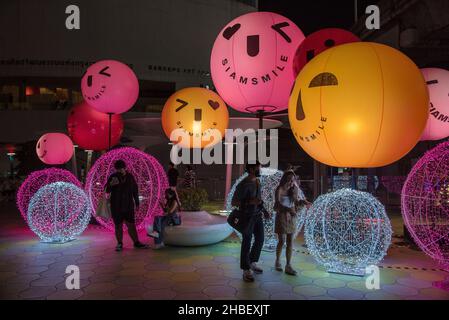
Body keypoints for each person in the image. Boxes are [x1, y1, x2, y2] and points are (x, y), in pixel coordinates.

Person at [232, 162, 270, 282]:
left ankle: (252, 261)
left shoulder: (257, 182)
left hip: (257, 215)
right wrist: (249, 202)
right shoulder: (244, 184)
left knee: (260, 239)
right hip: (247, 217)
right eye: (258, 168)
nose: (260, 170)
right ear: (251, 169)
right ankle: (246, 269)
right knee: (247, 242)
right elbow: (234, 202)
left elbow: (258, 200)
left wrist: (264, 210)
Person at [105, 160, 147, 252]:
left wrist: (137, 203)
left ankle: (136, 242)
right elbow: (107, 190)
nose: (119, 171)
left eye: (121, 169)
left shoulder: (130, 177)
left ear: (125, 168)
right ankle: (119, 243)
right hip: (116, 205)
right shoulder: (113, 176)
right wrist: (111, 185)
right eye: (118, 169)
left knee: (131, 225)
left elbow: (135, 191)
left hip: (128, 205)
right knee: (118, 225)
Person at [274, 171, 311, 275]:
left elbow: (296, 203)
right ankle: (277, 261)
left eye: (292, 180)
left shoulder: (294, 189)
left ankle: (288, 265)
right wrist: (288, 209)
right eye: (289, 179)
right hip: (281, 216)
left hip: (291, 217)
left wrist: (303, 202)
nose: (291, 182)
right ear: (284, 179)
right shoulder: (280, 189)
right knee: (281, 241)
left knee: (290, 241)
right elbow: (276, 205)